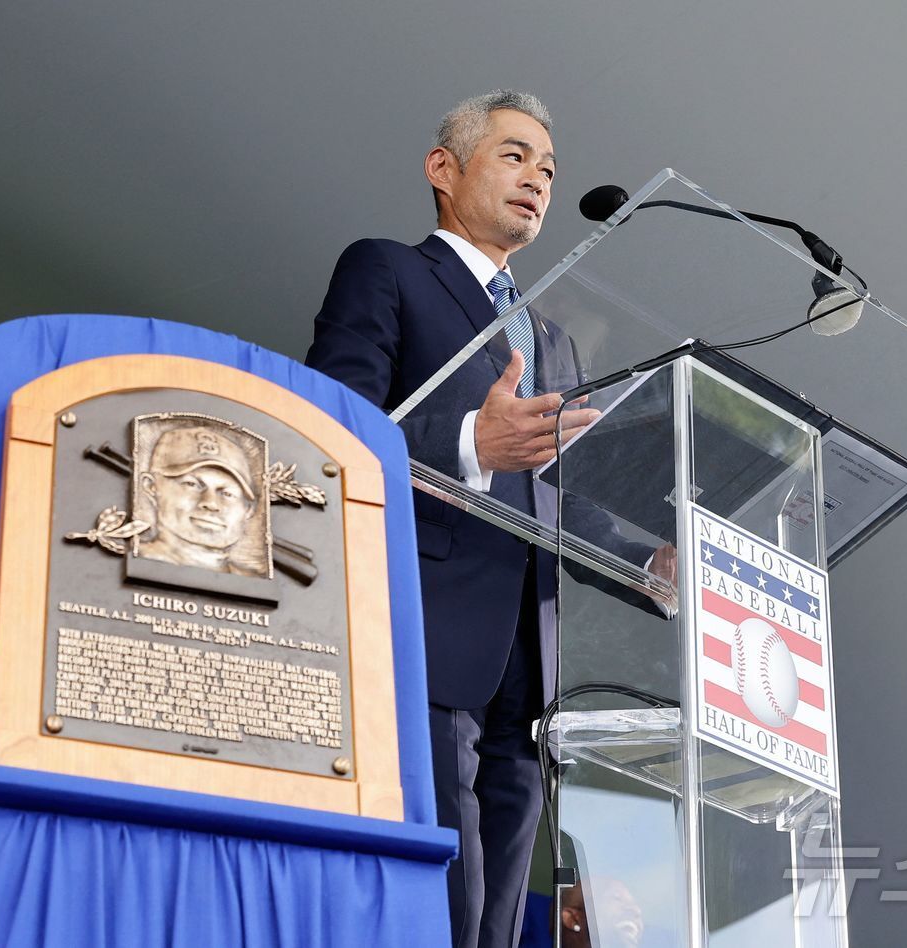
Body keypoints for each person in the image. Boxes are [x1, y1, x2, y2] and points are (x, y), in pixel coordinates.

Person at [307, 89, 659, 948]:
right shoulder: (386, 270)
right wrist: (470, 439)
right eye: (513, 155)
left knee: (497, 917)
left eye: (548, 168)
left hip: (528, 665)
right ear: (443, 169)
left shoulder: (555, 340)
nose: (536, 179)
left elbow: (558, 496)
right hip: (425, 634)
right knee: (440, 900)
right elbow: (327, 431)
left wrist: (652, 561)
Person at [136, 425, 258, 572]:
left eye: (227, 493)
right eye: (191, 484)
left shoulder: (250, 580)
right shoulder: (122, 558)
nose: (211, 503)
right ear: (151, 486)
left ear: (248, 509)